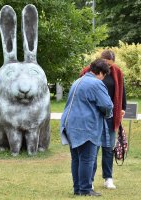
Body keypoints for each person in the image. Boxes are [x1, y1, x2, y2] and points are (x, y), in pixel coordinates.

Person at [60, 58, 113, 196]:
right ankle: (85, 189)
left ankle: (78, 189)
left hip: (70, 124)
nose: (103, 78)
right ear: (100, 72)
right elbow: (107, 105)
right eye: (104, 75)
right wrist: (107, 115)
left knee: (77, 158)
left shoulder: (78, 81)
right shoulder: (96, 83)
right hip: (85, 126)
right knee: (87, 158)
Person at [81, 50, 127, 189]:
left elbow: (121, 90)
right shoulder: (88, 71)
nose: (109, 68)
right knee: (92, 149)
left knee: (108, 148)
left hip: (110, 116)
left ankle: (108, 178)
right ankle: (90, 179)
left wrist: (122, 107)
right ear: (101, 60)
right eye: (107, 64)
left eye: (111, 65)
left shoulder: (117, 72)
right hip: (93, 116)